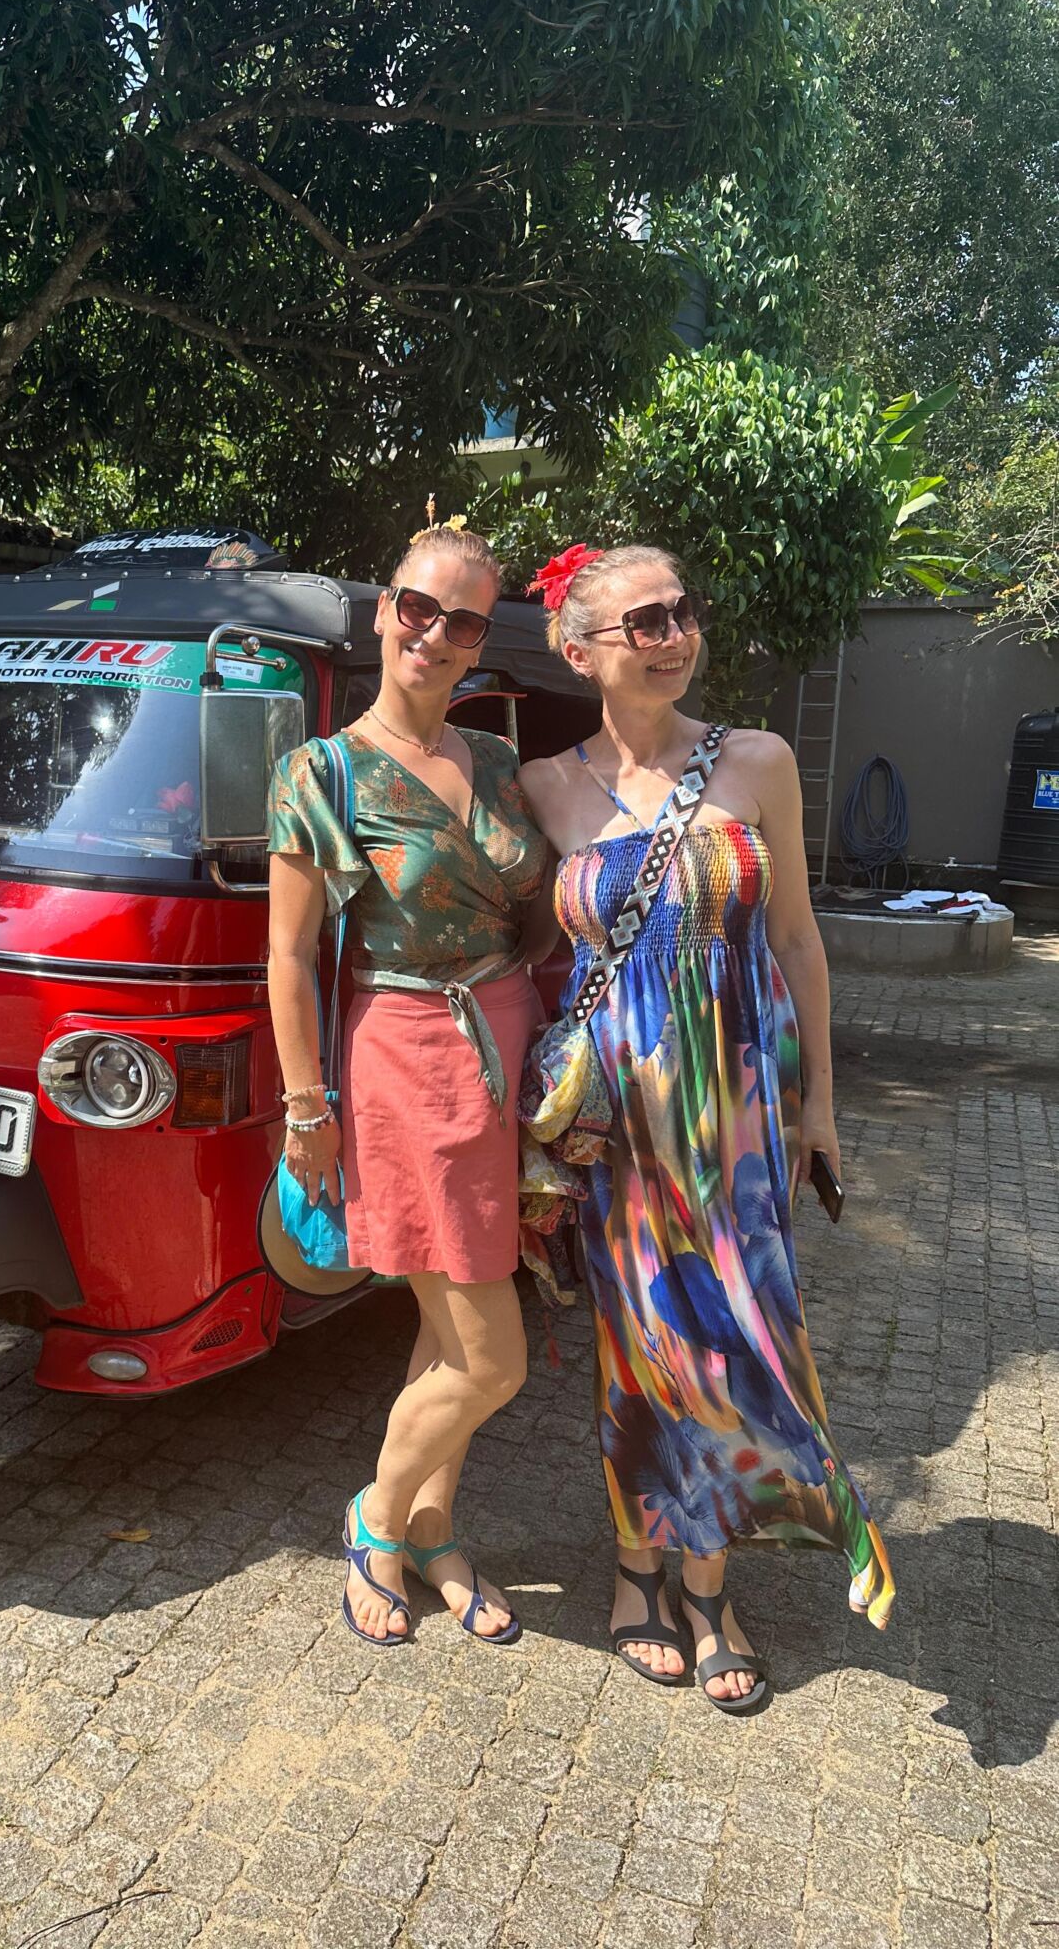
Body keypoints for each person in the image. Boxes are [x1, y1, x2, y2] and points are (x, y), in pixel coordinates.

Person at [519, 543, 894, 1713]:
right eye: (644, 621)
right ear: (579, 651)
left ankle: (709, 1584)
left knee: (734, 1337)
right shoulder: (540, 786)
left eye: (682, 612)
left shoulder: (758, 760)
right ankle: (638, 1564)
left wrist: (820, 1103)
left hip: (735, 1115)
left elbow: (798, 940)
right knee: (636, 1341)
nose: (674, 635)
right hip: (619, 1125)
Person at [266, 525, 549, 1646]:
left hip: (506, 1048)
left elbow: (539, 903)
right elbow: (288, 955)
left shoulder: (496, 760)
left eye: (463, 620)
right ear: (384, 611)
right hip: (407, 1056)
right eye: (418, 608)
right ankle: (375, 1517)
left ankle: (432, 1531)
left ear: (482, 641)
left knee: (449, 1324)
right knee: (493, 1354)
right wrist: (305, 1106)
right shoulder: (321, 772)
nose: (435, 634)